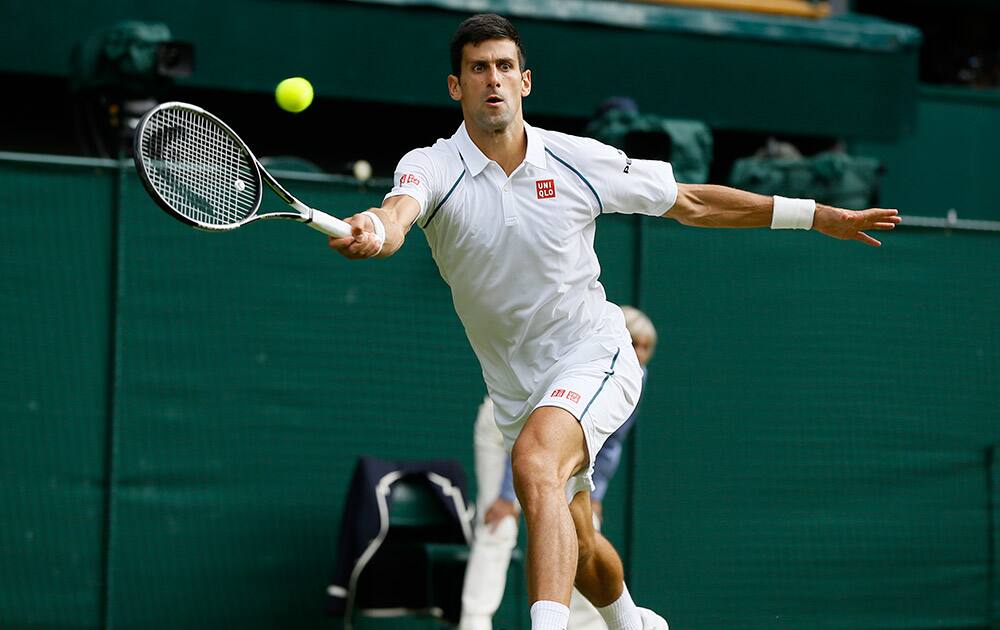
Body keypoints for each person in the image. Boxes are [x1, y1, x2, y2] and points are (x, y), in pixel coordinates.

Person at [328, 14, 900, 630]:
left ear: (525, 82)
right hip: (515, 387)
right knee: (579, 544)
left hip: (593, 352)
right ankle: (631, 622)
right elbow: (397, 216)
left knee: (535, 463)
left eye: (503, 67)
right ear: (455, 86)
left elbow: (694, 201)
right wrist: (374, 229)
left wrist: (814, 215)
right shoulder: (432, 165)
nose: (492, 79)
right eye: (477, 68)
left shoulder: (578, 160)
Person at [459, 307, 658, 630]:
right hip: (508, 424)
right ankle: (474, 622)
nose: (637, 351)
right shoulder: (585, 339)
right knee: (499, 524)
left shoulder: (629, 373)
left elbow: (610, 443)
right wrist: (508, 496)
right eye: (633, 341)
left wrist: (594, 491)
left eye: (644, 347)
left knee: (583, 533)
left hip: (555, 432)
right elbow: (531, 449)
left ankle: (617, 624)